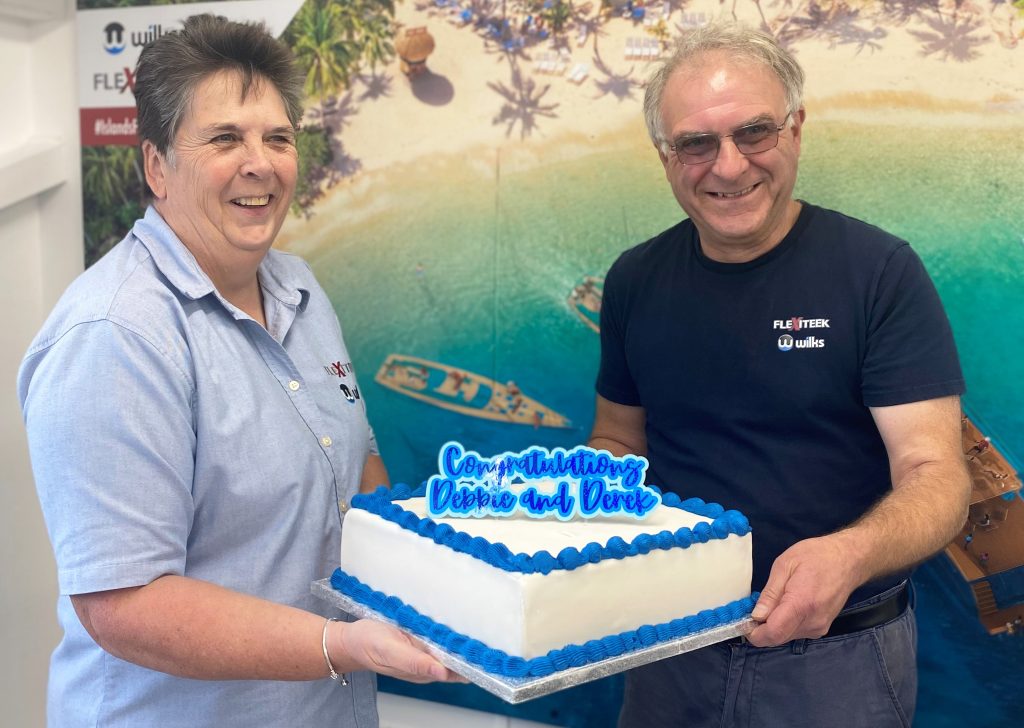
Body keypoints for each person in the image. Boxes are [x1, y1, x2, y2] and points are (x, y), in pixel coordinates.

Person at [17, 15, 459, 728]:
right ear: (156, 166)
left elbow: (356, 465)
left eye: (277, 138)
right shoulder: (114, 337)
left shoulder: (301, 289)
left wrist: (441, 571)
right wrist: (341, 644)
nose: (261, 162)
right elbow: (126, 608)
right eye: (225, 138)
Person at [588, 22, 971, 727]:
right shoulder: (636, 279)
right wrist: (562, 516)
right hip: (669, 646)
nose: (728, 167)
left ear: (795, 130)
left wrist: (851, 553)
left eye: (754, 133)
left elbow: (938, 476)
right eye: (697, 144)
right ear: (666, 158)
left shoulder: (878, 272)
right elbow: (618, 440)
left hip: (839, 659)